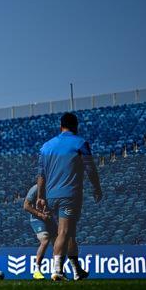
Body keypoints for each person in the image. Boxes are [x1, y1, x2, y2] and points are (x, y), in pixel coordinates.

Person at [36, 112, 103, 281]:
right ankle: (57, 270)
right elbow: (90, 168)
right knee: (64, 232)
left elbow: (41, 175)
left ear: (61, 127)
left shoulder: (46, 146)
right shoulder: (80, 142)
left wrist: (40, 196)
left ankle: (76, 270)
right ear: (76, 126)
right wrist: (96, 187)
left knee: (69, 233)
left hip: (51, 196)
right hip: (69, 194)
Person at [23, 184, 57, 280]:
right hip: (37, 219)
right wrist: (40, 214)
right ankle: (36, 270)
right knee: (45, 239)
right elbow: (26, 205)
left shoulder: (54, 187)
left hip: (50, 218)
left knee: (58, 243)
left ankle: (57, 270)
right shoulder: (35, 188)